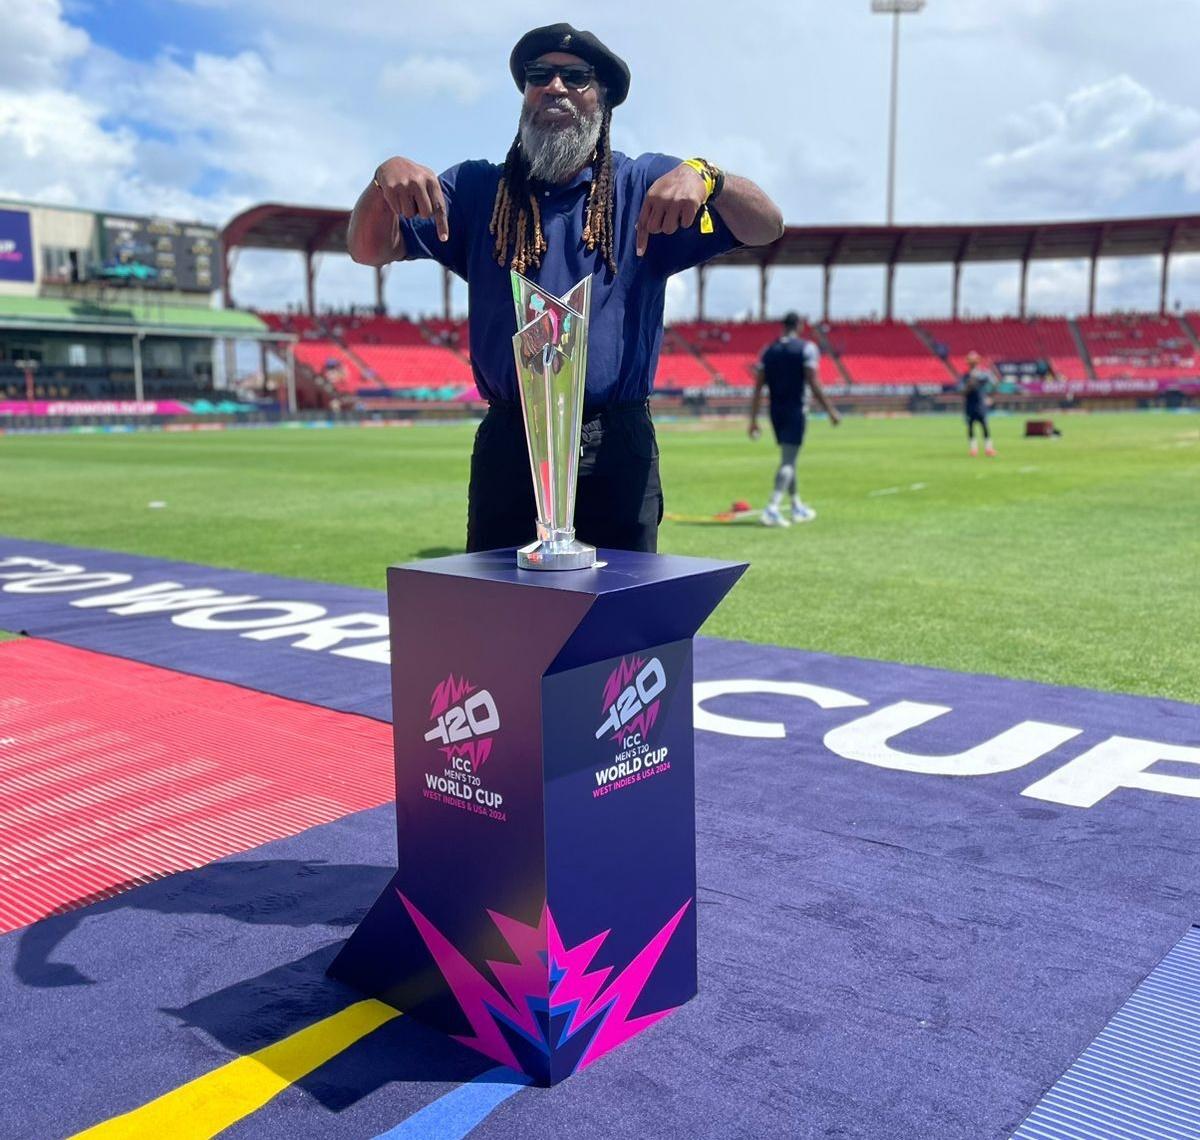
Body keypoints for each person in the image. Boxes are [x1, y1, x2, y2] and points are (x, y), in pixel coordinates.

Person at [348, 22, 783, 553]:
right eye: (539, 75)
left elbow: (766, 225)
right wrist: (381, 180)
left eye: (575, 77)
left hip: (615, 443)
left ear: (603, 102)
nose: (554, 86)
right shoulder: (478, 190)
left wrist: (708, 175)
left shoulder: (641, 185)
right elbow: (369, 249)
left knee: (621, 617)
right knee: (503, 615)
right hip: (512, 441)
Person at [748, 312, 840, 527]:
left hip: (775, 411)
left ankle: (796, 505)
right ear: (798, 326)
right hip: (795, 410)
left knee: (788, 457)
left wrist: (753, 419)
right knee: (788, 461)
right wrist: (830, 411)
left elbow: (758, 387)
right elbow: (813, 382)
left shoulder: (768, 351)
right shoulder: (806, 348)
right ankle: (772, 507)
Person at [961, 350, 997, 457]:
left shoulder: (983, 375)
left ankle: (988, 448)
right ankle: (973, 449)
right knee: (970, 426)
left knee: (984, 425)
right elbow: (962, 391)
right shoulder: (966, 376)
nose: (973, 363)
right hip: (970, 404)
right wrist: (968, 387)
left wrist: (990, 397)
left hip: (980, 403)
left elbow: (994, 384)